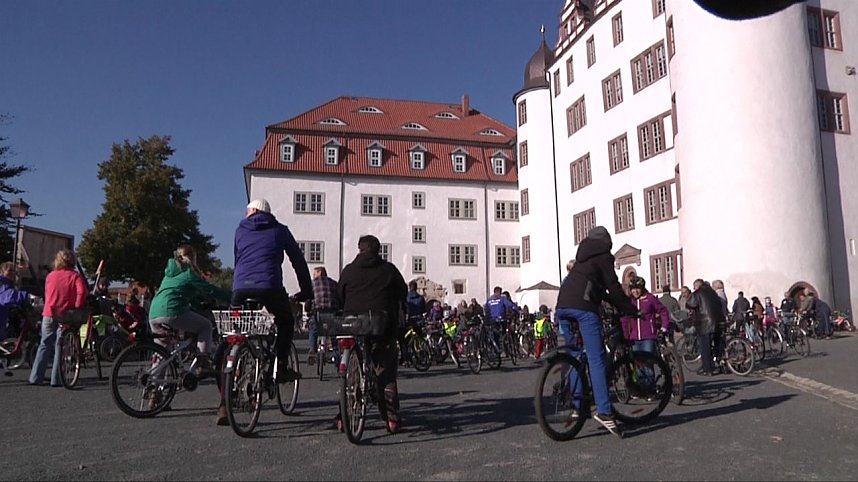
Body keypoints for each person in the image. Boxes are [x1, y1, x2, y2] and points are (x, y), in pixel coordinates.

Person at [554, 226, 638, 438]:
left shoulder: (582, 258)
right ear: (607, 241)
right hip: (583, 309)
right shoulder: (604, 256)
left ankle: (577, 405)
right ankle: (605, 411)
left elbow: (599, 290)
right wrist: (628, 308)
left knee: (575, 355)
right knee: (596, 358)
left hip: (562, 307)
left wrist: (613, 302)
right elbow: (613, 285)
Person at [232, 198, 313, 385]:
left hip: (241, 287)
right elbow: (298, 261)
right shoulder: (279, 230)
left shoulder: (240, 230)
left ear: (252, 211)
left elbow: (238, 260)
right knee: (286, 322)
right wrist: (306, 291)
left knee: (236, 330)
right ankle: (282, 367)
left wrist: (238, 286)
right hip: (269, 286)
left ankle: (232, 378)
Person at [336, 234, 407, 434]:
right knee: (385, 370)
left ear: (360, 249)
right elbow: (402, 292)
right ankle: (391, 419)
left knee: (350, 370)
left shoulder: (349, 270)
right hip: (381, 324)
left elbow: (339, 295)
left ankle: (343, 416)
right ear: (378, 250)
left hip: (353, 323)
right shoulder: (388, 270)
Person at [148, 245, 231, 370]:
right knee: (205, 326)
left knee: (162, 351)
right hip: (172, 310)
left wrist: (198, 304)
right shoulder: (188, 273)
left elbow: (185, 295)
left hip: (154, 313)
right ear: (192, 258)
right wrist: (232, 297)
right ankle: (203, 361)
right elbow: (209, 290)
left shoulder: (169, 274)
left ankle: (152, 384)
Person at [28, 249, 87, 386]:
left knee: (44, 344)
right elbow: (82, 292)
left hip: (49, 312)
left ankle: (35, 377)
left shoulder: (51, 276)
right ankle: (57, 379)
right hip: (66, 314)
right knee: (60, 346)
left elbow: (48, 293)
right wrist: (77, 305)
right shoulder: (75, 276)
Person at [685, 278, 726, 376]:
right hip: (719, 321)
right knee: (718, 345)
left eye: (694, 287)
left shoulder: (698, 293)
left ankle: (708, 369)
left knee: (705, 347)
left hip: (706, 323)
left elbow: (690, 304)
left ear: (698, 286)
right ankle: (720, 364)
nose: (694, 289)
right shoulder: (712, 292)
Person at [620, 277, 670, 354]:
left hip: (648, 337)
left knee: (648, 362)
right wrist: (626, 336)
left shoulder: (650, 298)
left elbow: (663, 311)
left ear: (642, 288)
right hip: (634, 338)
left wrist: (664, 327)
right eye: (633, 289)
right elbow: (625, 319)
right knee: (638, 363)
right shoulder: (629, 301)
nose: (635, 291)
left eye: (638, 289)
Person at [307, 266, 340, 365]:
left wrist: (307, 309)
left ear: (320, 273)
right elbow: (338, 296)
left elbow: (308, 298)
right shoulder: (333, 283)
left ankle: (313, 350)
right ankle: (337, 358)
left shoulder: (312, 284)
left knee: (313, 330)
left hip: (318, 312)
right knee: (333, 334)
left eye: (315, 273)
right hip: (332, 311)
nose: (313, 276)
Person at [0, 261, 30, 343]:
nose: (12, 273)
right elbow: (7, 296)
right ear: (2, 271)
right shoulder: (2, 282)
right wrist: (26, 296)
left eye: (13, 271)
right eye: (9, 270)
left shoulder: (8, 283)